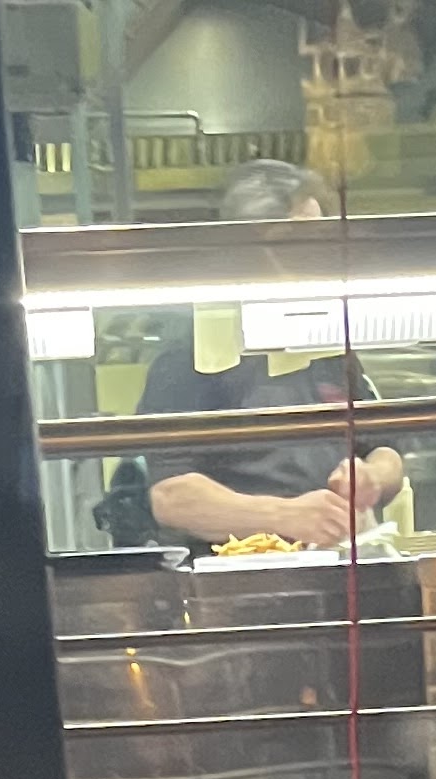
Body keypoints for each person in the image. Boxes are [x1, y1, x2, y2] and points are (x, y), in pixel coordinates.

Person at [138, 162, 407, 553]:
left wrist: (371, 478)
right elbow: (171, 496)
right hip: (242, 570)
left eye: (321, 241)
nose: (314, 259)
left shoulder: (325, 338)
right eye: (296, 244)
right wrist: (284, 515)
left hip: (338, 560)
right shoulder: (192, 352)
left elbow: (385, 449)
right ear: (248, 251)